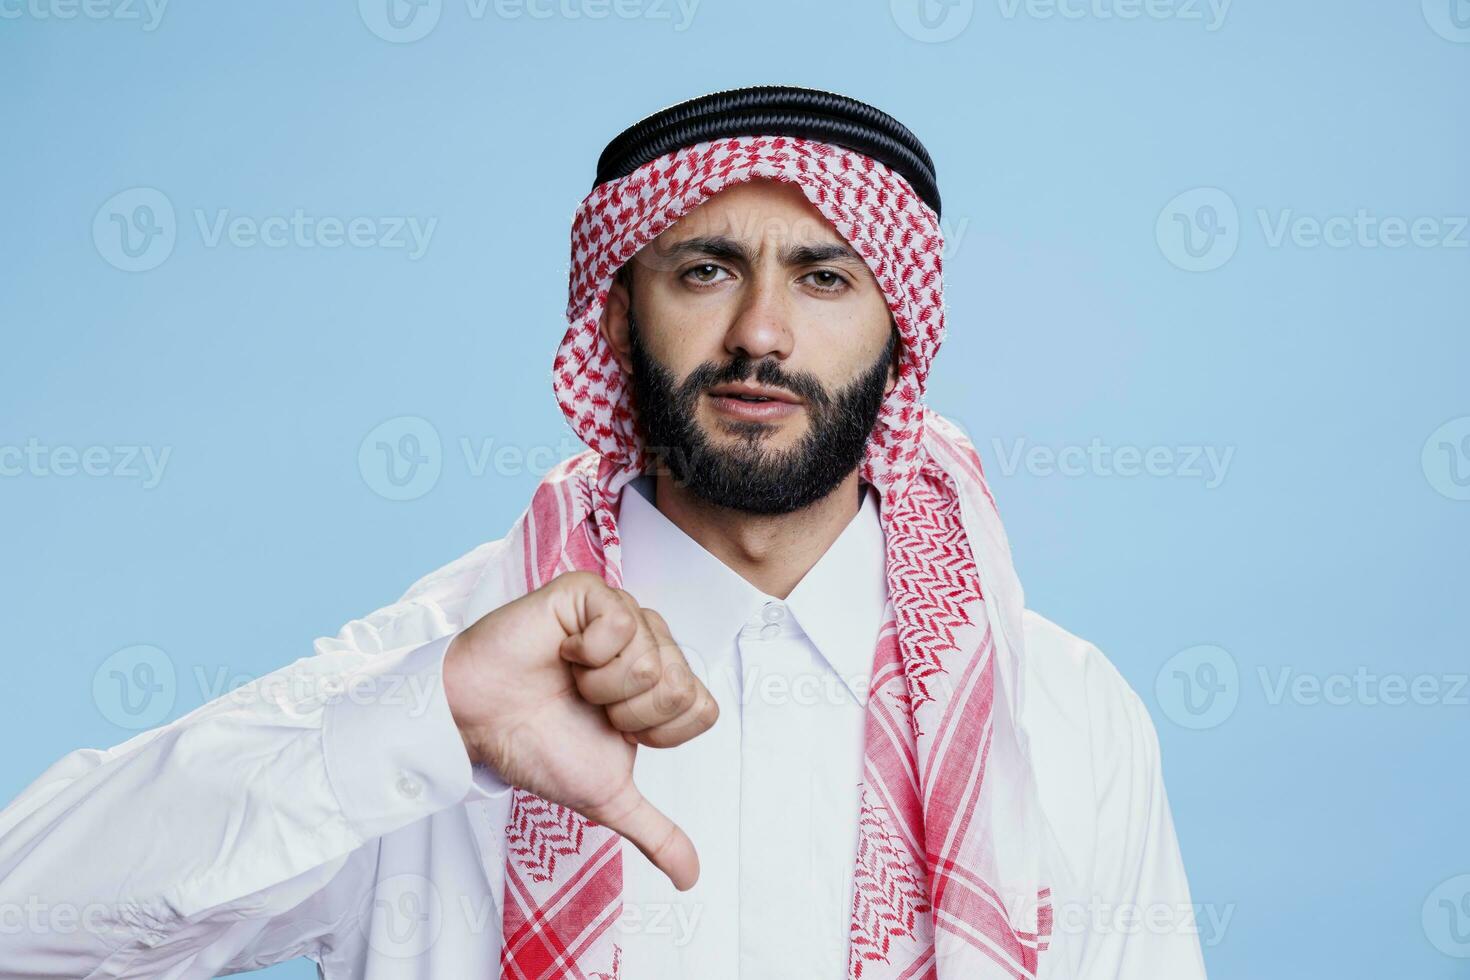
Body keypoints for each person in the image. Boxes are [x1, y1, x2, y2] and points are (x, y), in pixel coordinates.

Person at [0, 86, 1208, 980]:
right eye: (704, 269)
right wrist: (433, 720)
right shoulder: (444, 665)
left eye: (827, 278)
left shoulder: (1058, 708)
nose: (761, 334)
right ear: (619, 311)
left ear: (904, 331)